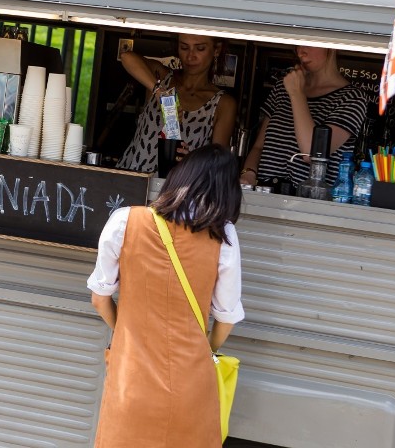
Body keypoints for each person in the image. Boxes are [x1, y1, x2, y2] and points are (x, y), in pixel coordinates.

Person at [87, 144, 244, 447]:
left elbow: (99, 297)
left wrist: (125, 333)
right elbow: (226, 318)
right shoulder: (223, 237)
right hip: (191, 387)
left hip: (130, 380)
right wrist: (205, 349)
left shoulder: (124, 221)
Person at [240, 46, 366, 188]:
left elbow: (311, 153)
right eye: (297, 45)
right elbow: (259, 147)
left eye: (309, 43)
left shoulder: (352, 98)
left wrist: (297, 94)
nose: (301, 52)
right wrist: (249, 173)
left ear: (331, 45)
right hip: (265, 194)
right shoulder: (283, 88)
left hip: (305, 202)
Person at [116, 34, 237, 173]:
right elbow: (126, 57)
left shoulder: (222, 103)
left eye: (200, 48)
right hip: (131, 179)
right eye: (184, 47)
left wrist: (193, 160)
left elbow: (219, 165)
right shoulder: (162, 78)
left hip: (177, 189)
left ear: (217, 50)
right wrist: (158, 91)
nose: (190, 56)